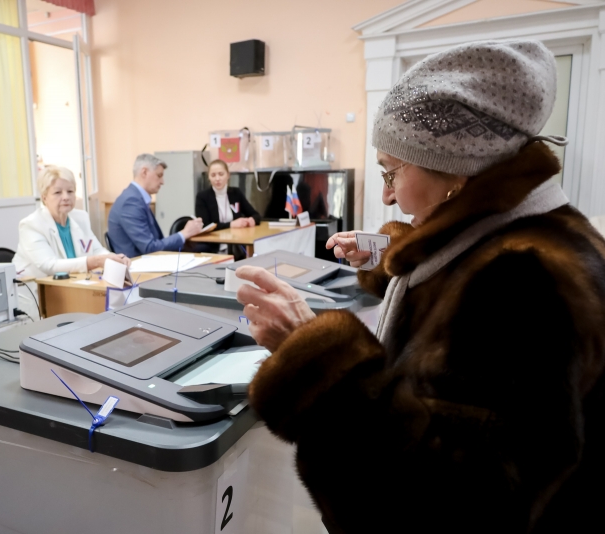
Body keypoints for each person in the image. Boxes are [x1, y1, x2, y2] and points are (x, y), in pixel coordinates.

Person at [235, 40, 605, 533]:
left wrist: (313, 357)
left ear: (455, 172)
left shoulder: (524, 283)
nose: (386, 193)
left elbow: (443, 503)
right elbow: (458, 272)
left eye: (392, 171)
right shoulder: (530, 228)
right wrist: (392, 256)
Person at [13, 165, 129, 317]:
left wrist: (114, 259)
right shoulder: (31, 224)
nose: (66, 197)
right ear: (44, 197)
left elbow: (97, 249)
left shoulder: (80, 217)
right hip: (36, 299)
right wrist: (96, 261)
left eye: (70, 191)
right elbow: (50, 265)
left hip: (73, 290)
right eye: (57, 192)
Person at [107, 154, 203, 256]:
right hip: (139, 266)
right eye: (159, 175)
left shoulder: (136, 198)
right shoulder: (130, 202)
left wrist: (184, 236)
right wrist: (184, 233)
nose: (162, 182)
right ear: (144, 172)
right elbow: (149, 248)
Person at [195, 159, 260, 256]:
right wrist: (231, 225)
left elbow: (256, 215)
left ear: (228, 175)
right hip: (213, 246)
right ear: (209, 177)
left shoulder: (236, 193)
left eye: (221, 174)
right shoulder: (202, 197)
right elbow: (206, 226)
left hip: (235, 245)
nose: (217, 178)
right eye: (213, 175)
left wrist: (252, 220)